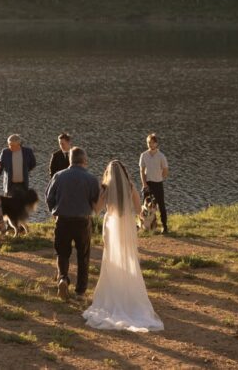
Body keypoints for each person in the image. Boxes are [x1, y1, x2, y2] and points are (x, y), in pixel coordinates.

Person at [83, 160, 164, 332]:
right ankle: (129, 296)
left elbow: (96, 210)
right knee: (128, 257)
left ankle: (114, 294)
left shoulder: (105, 188)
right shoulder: (130, 186)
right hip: (127, 226)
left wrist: (92, 198)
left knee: (112, 258)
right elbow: (137, 209)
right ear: (124, 172)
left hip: (112, 225)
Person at [45, 146, 100, 300]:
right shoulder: (91, 178)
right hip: (82, 221)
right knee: (83, 255)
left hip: (62, 220)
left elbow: (49, 197)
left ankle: (62, 278)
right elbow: (96, 200)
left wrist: (54, 212)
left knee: (62, 253)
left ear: (70, 160)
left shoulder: (59, 175)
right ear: (84, 160)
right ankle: (80, 291)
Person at [138, 132, 170, 235]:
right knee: (145, 207)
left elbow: (165, 170)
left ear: (156, 144)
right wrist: (144, 184)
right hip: (148, 184)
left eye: (152, 143)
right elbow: (142, 171)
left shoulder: (161, 156)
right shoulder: (143, 155)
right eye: (148, 143)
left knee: (161, 206)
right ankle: (143, 226)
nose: (150, 145)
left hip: (158, 184)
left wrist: (161, 178)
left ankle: (165, 227)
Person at [0, 133, 36, 200]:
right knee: (9, 207)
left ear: (18, 144)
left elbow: (33, 164)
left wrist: (25, 170)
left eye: (12, 145)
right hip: (10, 185)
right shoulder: (5, 152)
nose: (9, 146)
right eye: (9, 144)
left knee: (22, 207)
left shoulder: (28, 152)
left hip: (23, 185)